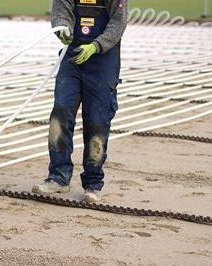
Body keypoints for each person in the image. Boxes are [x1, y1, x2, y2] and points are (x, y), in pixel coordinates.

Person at [32, 0, 128, 202]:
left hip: (103, 62)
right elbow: (61, 13)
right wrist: (63, 29)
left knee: (97, 122)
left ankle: (93, 184)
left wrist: (96, 46)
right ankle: (58, 177)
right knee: (60, 113)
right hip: (72, 59)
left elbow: (118, 23)